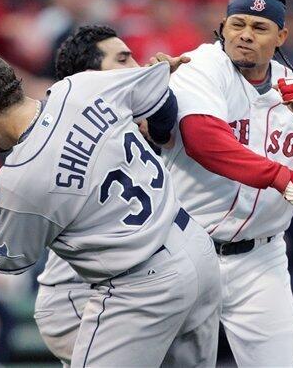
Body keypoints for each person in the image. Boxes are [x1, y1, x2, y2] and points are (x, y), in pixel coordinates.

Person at [0, 51, 221, 367]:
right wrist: (160, 135)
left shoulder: (21, 177)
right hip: (195, 246)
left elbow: (8, 257)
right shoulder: (80, 86)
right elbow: (160, 90)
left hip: (143, 286)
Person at [161, 0, 293, 366]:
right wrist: (283, 176)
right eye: (237, 24)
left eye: (259, 27)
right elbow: (205, 141)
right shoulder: (200, 66)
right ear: (223, 27)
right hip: (183, 249)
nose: (245, 35)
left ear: (281, 35)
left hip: (260, 258)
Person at [35, 24, 191, 366]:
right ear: (90, 76)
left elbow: (162, 128)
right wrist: (157, 85)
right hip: (77, 295)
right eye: (122, 59)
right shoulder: (72, 135)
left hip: (125, 288)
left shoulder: (114, 118)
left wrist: (158, 85)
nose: (135, 67)